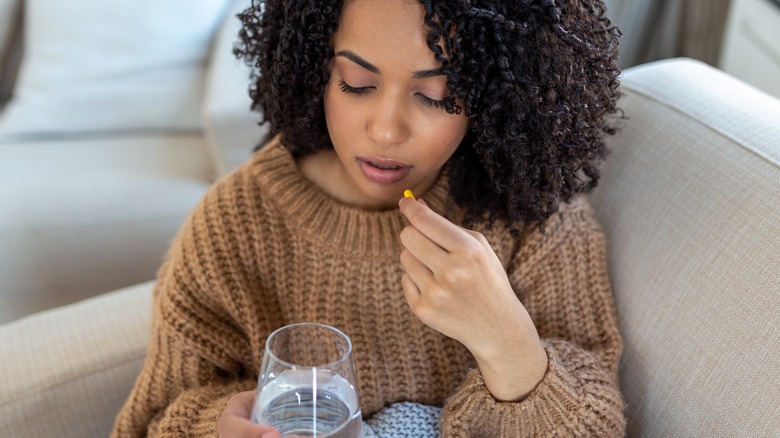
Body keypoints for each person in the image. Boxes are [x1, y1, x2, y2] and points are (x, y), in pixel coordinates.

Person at [112, 0, 624, 436]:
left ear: (493, 99)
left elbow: (597, 422)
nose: (384, 130)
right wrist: (217, 423)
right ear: (316, 69)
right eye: (357, 84)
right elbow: (153, 418)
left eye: (435, 96)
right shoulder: (234, 226)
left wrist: (507, 342)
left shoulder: (530, 218)